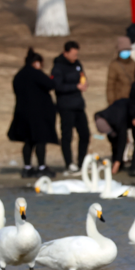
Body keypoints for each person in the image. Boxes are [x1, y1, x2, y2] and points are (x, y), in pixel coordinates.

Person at [7, 48, 58, 178]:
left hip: (22, 113)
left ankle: (27, 167)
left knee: (28, 140)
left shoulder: (19, 75)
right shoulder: (35, 73)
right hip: (38, 113)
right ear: (36, 63)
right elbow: (51, 84)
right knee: (41, 139)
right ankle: (41, 166)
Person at [51, 41, 89, 173]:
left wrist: (84, 83)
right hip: (66, 106)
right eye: (73, 54)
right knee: (67, 136)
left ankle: (82, 162)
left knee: (85, 134)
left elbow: (82, 76)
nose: (75, 57)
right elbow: (57, 86)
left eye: (76, 54)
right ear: (65, 53)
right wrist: (75, 87)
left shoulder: (77, 64)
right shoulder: (58, 67)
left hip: (78, 105)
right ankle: (69, 163)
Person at [95, 99, 130, 175]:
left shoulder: (119, 122)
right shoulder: (100, 115)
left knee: (130, 141)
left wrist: (117, 162)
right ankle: (116, 161)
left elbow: (122, 142)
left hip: (131, 113)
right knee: (114, 140)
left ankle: (119, 163)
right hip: (118, 110)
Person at [107, 36, 135, 105]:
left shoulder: (134, 63)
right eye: (123, 50)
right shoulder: (114, 65)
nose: (126, 52)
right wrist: (111, 103)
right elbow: (110, 86)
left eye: (127, 50)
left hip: (133, 99)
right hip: (120, 100)